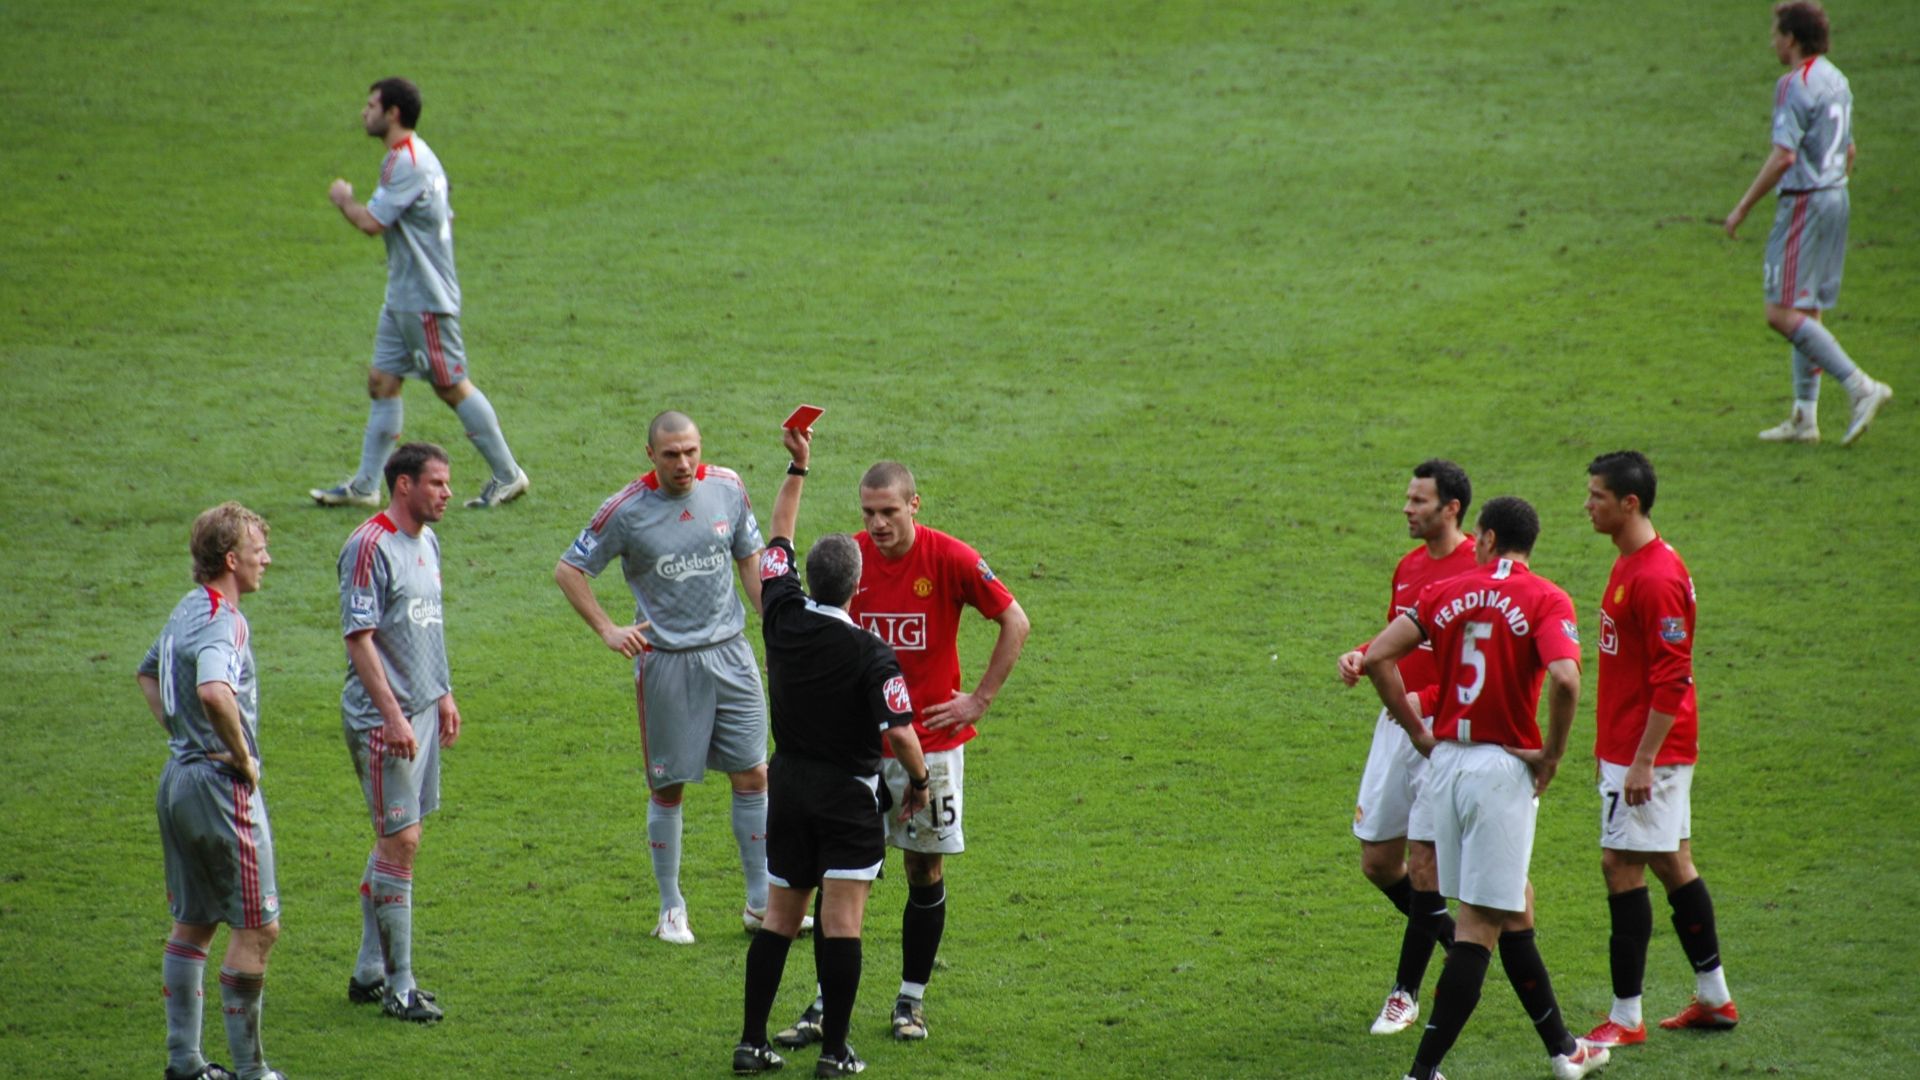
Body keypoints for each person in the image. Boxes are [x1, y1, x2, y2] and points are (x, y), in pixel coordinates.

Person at [776, 460, 1029, 1047]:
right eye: (868, 512)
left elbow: (1015, 620)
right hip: (856, 751)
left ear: (915, 505)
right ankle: (822, 1004)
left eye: (889, 511)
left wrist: (979, 701)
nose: (878, 523)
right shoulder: (851, 560)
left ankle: (910, 1001)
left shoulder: (951, 559)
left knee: (923, 869)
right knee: (837, 877)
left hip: (931, 748)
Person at [1364, 496, 1610, 1080]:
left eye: (1477, 535)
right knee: (1478, 926)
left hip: (1445, 764)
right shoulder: (1546, 597)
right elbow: (1567, 679)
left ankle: (1564, 1051)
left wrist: (1420, 731)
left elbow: (1377, 657)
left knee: (1514, 908)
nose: (1474, 543)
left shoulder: (1446, 593)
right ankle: (1422, 1072)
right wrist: (1552, 752)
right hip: (1500, 773)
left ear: (1490, 538)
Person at [734, 424, 930, 1078]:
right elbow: (900, 733)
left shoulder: (781, 615)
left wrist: (798, 470)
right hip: (847, 796)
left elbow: (777, 539)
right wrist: (921, 778)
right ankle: (837, 1051)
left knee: (781, 919)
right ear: (855, 588)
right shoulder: (873, 653)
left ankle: (752, 1041)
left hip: (786, 785)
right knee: (841, 923)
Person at [555, 410, 781, 944]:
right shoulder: (626, 511)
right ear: (650, 455)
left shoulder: (727, 488)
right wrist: (609, 629)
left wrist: (774, 627)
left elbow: (750, 558)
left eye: (691, 451)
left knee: (754, 774)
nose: (684, 463)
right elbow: (570, 569)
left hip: (732, 653)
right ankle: (670, 907)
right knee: (669, 786)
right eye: (672, 454)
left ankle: (760, 902)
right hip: (668, 663)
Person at [1580, 452, 1739, 1049]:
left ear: (1630, 503)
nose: (1587, 506)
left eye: (1597, 496)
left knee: (1620, 866)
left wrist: (1641, 760)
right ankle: (1715, 998)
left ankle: (1625, 1017)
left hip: (1649, 750)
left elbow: (1673, 678)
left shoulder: (1654, 576)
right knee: (1673, 861)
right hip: (1632, 743)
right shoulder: (1632, 562)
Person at [311, 76, 529, 509]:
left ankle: (508, 475)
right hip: (403, 296)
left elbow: (372, 224)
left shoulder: (406, 161)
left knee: (450, 386)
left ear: (392, 113)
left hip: (425, 298)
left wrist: (343, 199)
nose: (364, 112)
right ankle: (366, 486)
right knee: (383, 382)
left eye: (371, 104)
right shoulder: (412, 155)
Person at [138, 503, 286, 1080]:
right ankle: (252, 1073)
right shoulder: (226, 618)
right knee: (258, 928)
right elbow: (215, 693)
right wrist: (243, 757)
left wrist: (183, 738)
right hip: (220, 788)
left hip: (178, 779)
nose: (266, 559)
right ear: (231, 559)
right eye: (257, 550)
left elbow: (147, 672)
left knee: (194, 923)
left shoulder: (185, 609)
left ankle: (185, 1063)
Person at [1336, 460, 1475, 1035]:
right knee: (1378, 862)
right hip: (1398, 721)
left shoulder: (1478, 570)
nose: (1407, 509)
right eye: (1408, 498)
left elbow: (1477, 659)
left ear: (1452, 509)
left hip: (1443, 734)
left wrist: (1430, 696)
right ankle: (1460, 943)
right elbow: (1402, 631)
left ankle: (1405, 993)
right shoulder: (1410, 565)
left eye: (1419, 501)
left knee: (1423, 865)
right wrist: (1364, 652)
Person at [1724, 2, 1891, 446]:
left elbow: (1784, 155)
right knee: (1807, 310)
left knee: (1780, 312)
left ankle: (1860, 386)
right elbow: (1850, 150)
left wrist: (1742, 207)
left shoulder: (1793, 84)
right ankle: (1805, 416)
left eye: (1776, 33)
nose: (1773, 41)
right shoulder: (1837, 78)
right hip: (1837, 195)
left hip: (1805, 202)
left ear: (1792, 38)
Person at [338, 442, 461, 1023]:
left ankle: (369, 971)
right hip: (382, 719)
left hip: (421, 711)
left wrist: (443, 694)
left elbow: (424, 626)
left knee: (397, 840)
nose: (447, 493)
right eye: (436, 483)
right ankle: (400, 986)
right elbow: (359, 638)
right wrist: (391, 715)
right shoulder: (368, 546)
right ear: (404, 484)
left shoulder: (428, 542)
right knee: (401, 842)